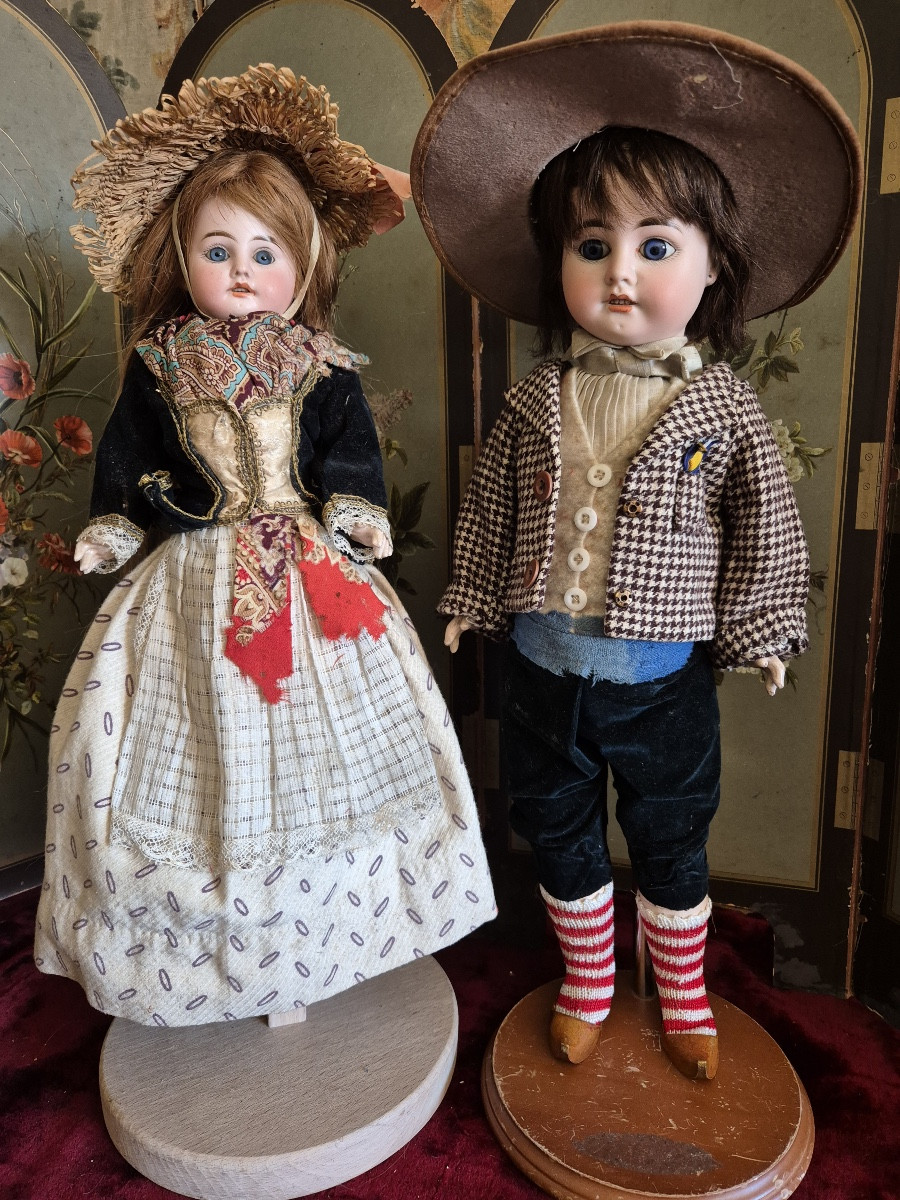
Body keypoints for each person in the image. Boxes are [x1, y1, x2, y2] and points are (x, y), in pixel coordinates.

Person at [411, 23, 861, 1080]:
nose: (621, 275)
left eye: (656, 246)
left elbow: (766, 531)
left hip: (662, 681)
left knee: (669, 835)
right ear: (557, 260)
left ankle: (686, 992)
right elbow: (488, 511)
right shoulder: (535, 398)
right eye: (591, 244)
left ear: (712, 270)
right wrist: (471, 592)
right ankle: (587, 980)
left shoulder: (723, 406)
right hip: (541, 667)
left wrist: (764, 631)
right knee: (555, 824)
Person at [34, 64, 495, 1027]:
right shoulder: (163, 365)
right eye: (218, 248)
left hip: (311, 575)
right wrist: (116, 522)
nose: (242, 269)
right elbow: (128, 458)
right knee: (192, 746)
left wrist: (358, 512)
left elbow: (348, 456)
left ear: (305, 263)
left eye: (265, 250)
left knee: (335, 752)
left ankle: (322, 934)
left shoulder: (318, 365)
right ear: (183, 259)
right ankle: (212, 957)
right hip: (191, 585)